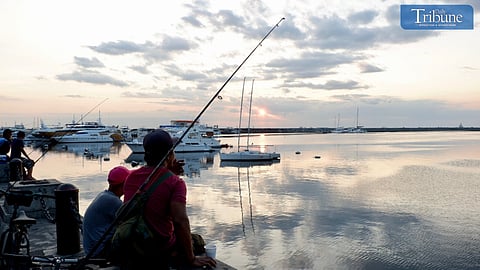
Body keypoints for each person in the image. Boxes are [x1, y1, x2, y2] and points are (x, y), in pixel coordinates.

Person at [122, 129, 216, 269]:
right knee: (197, 241)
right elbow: (180, 221)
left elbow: (152, 196)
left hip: (136, 243)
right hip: (159, 248)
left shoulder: (131, 177)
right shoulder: (175, 183)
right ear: (169, 154)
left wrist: (169, 173)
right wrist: (191, 259)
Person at [83, 166, 130, 260]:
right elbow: (130, 218)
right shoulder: (113, 201)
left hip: (91, 249)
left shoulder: (104, 195)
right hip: (99, 252)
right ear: (124, 184)